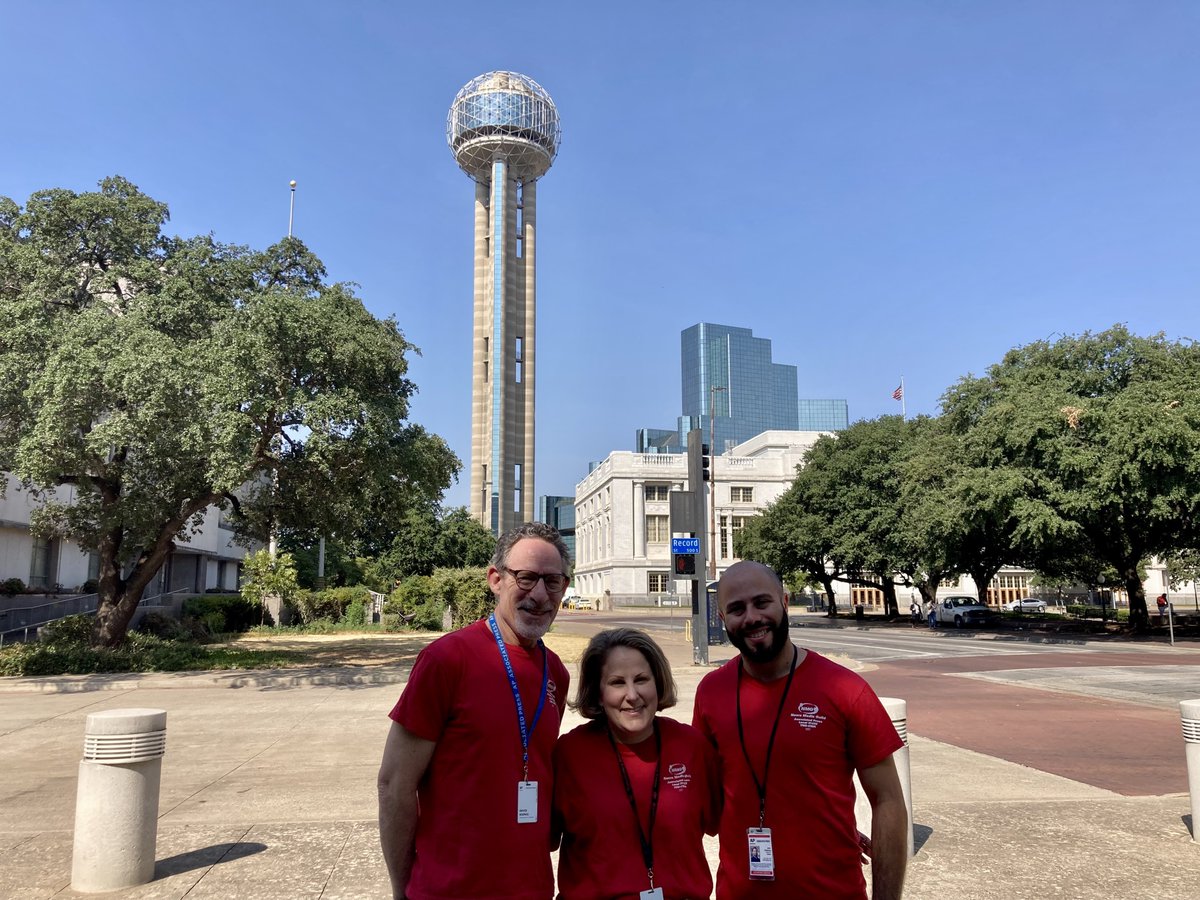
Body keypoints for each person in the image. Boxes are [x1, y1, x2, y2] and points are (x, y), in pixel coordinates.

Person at [377, 522, 573, 900]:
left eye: (553, 581)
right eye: (526, 577)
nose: (539, 594)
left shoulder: (557, 674)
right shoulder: (445, 660)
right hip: (449, 889)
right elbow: (394, 785)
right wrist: (403, 890)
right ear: (496, 579)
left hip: (530, 889)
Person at [693, 561, 908, 900]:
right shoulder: (710, 692)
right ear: (722, 620)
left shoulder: (844, 689)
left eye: (762, 602)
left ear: (784, 601)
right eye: (736, 609)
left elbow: (889, 801)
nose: (751, 618)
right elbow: (707, 805)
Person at [553, 628, 719, 900]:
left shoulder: (692, 747)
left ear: (658, 683)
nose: (632, 695)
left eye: (641, 679)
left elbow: (723, 824)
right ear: (597, 692)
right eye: (617, 682)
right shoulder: (569, 754)